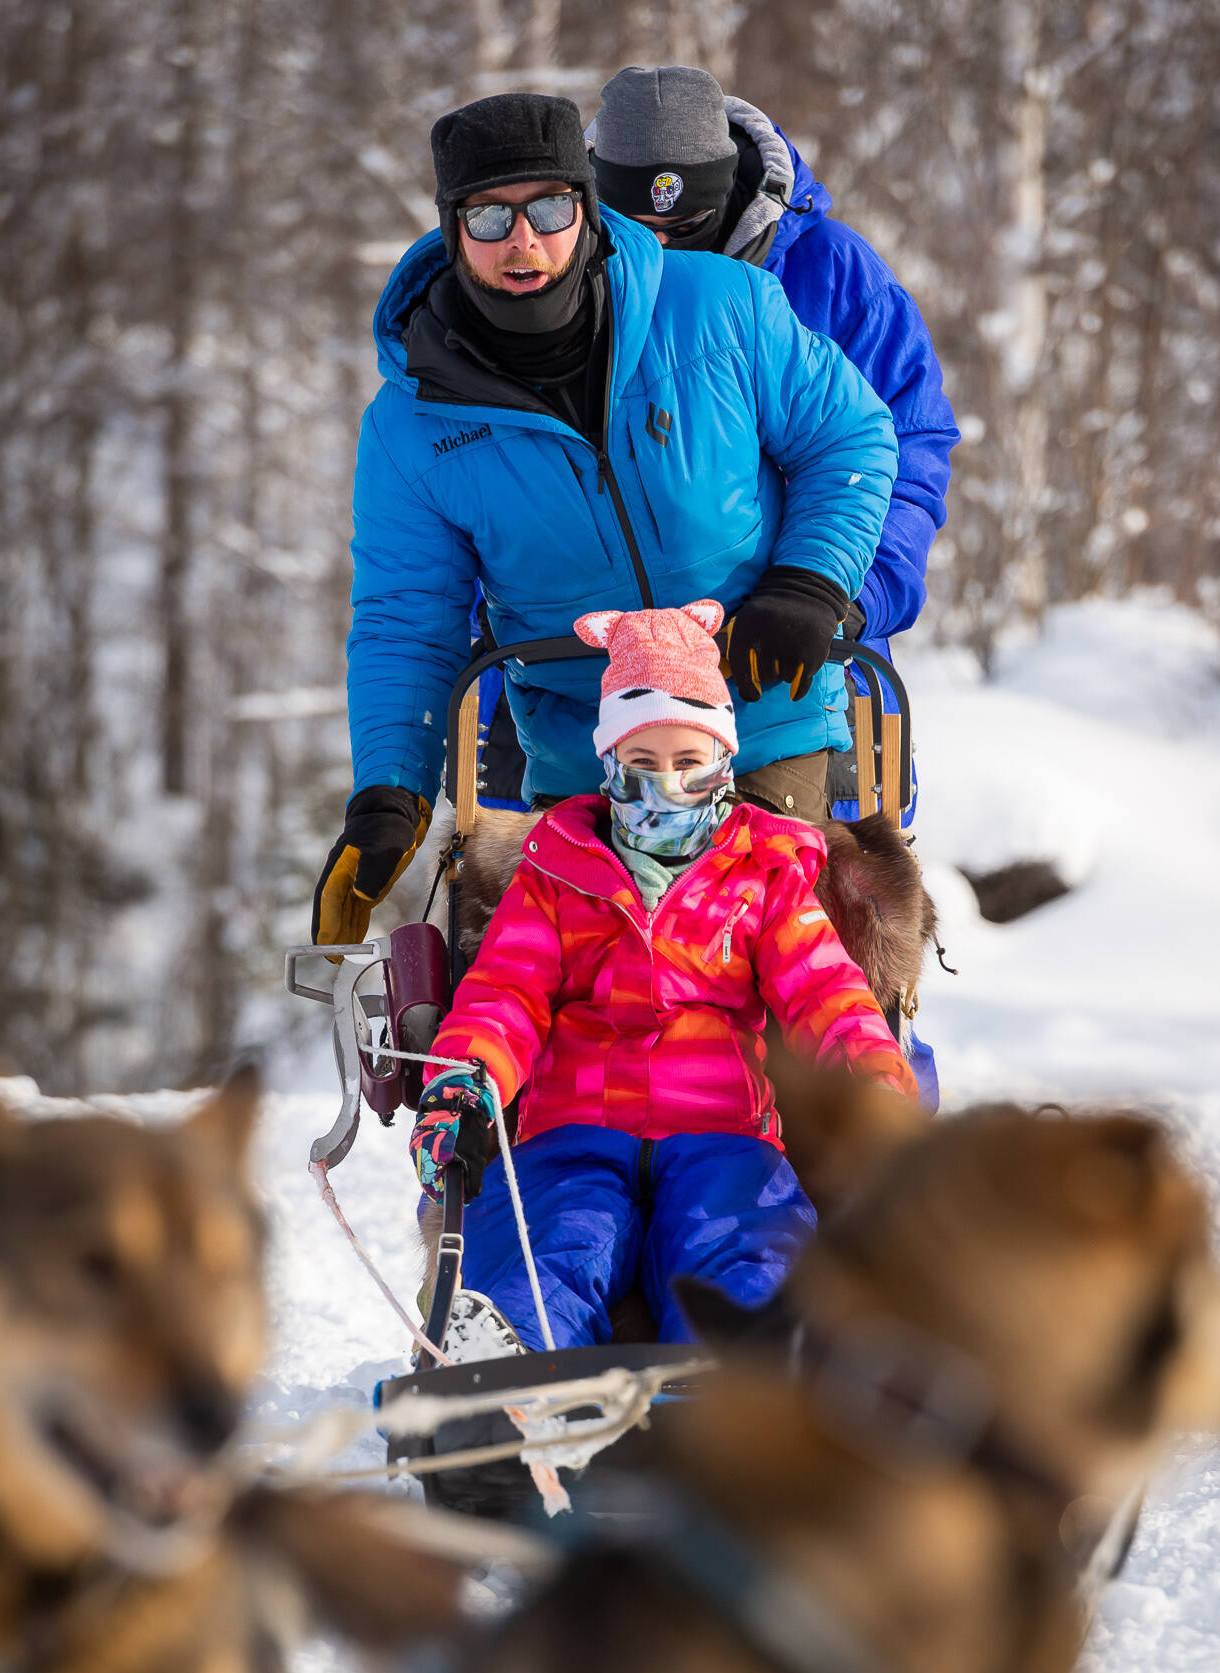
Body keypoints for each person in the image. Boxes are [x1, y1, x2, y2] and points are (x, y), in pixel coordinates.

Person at [312, 92, 899, 951]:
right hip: (584, 749)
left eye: (549, 208)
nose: (523, 242)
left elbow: (850, 437)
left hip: (758, 713)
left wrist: (808, 583)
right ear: (450, 228)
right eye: (488, 217)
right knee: (593, 994)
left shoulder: (718, 306)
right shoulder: (412, 422)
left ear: (586, 207)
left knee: (766, 960)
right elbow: (407, 616)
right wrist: (390, 791)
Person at [409, 601, 915, 1350]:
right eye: (640, 764)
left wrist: (874, 1083)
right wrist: (466, 1082)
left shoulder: (763, 873)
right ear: (608, 763)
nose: (664, 786)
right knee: (547, 1242)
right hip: (575, 1130)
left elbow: (823, 991)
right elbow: (503, 995)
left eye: (688, 763)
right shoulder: (557, 870)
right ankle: (505, 1364)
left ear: (722, 765)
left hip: (723, 1131)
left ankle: (756, 1371)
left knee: (746, 1245)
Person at [587, 65, 959, 681]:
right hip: (587, 661)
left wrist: (843, 597)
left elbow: (906, 444)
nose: (662, 257)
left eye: (685, 231)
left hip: (791, 641)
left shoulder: (834, 272)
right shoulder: (547, 280)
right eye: (637, 235)